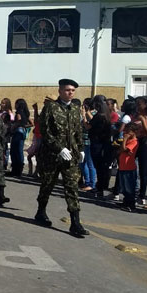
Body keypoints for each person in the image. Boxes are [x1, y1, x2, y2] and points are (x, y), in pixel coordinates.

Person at [35, 79, 88, 238]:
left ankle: (75, 222)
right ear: (60, 91)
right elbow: (46, 132)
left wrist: (81, 149)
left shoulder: (75, 109)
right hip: (52, 155)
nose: (70, 92)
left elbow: (78, 130)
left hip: (70, 156)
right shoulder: (51, 108)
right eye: (67, 90)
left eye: (72, 90)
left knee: (72, 187)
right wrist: (59, 148)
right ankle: (41, 212)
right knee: (47, 185)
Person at [84, 95, 113, 198]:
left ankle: (99, 188)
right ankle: (100, 187)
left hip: (97, 143)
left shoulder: (99, 115)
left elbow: (88, 127)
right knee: (102, 167)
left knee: (98, 166)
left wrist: (84, 116)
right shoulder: (107, 115)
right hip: (105, 143)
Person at [8, 98, 33, 177]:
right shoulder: (26, 114)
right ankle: (19, 169)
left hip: (18, 132)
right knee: (19, 151)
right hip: (23, 132)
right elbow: (32, 124)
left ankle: (15, 169)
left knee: (14, 151)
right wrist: (24, 126)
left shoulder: (18, 113)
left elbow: (19, 120)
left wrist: (14, 127)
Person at [117, 124, 139, 212]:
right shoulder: (129, 141)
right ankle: (126, 202)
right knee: (124, 187)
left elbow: (124, 149)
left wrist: (124, 139)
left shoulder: (134, 142)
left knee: (129, 187)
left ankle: (131, 204)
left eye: (128, 132)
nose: (126, 133)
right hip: (123, 166)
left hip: (129, 167)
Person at [78, 98, 96, 192]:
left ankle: (92, 184)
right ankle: (87, 181)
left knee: (90, 164)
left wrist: (84, 115)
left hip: (89, 141)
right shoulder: (85, 114)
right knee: (82, 163)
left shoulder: (93, 114)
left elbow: (88, 126)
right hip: (83, 141)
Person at [27, 102, 42, 177]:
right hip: (36, 140)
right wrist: (35, 109)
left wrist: (35, 109)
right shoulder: (38, 122)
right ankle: (31, 171)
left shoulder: (41, 122)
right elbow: (36, 120)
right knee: (31, 156)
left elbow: (36, 120)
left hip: (39, 139)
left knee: (38, 157)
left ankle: (36, 172)